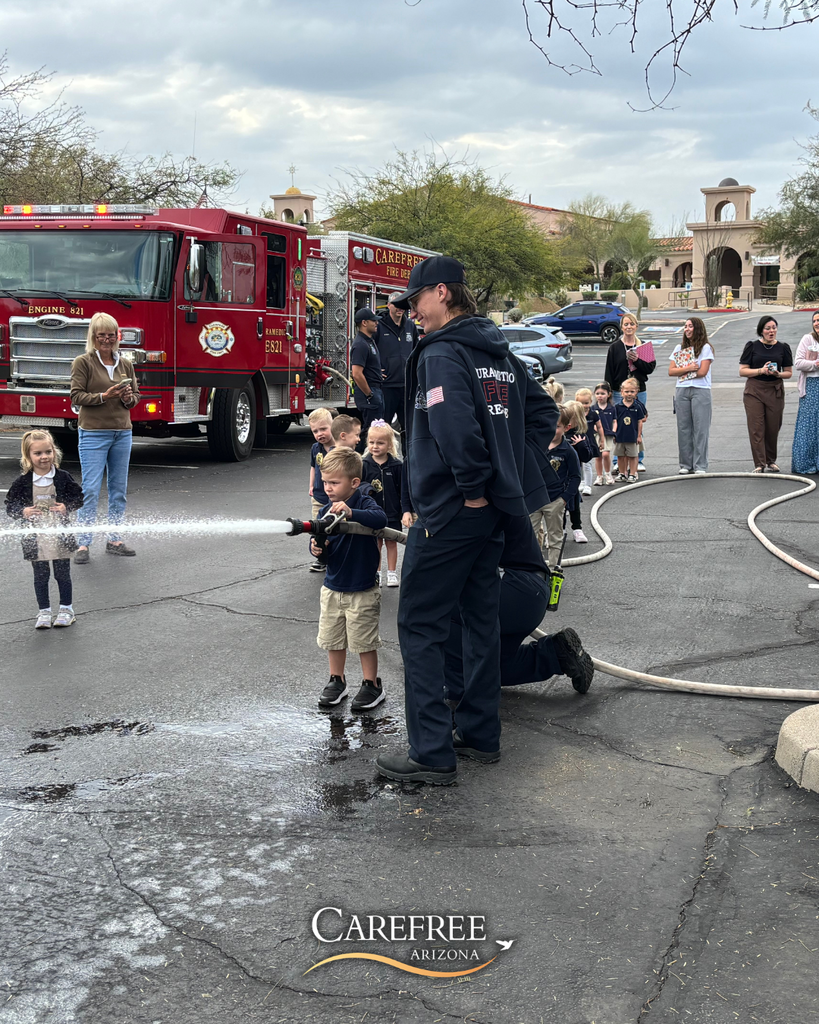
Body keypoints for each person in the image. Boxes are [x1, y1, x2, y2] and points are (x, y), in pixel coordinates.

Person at [375, 256, 558, 786]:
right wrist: (508, 478)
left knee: (419, 625)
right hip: (493, 512)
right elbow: (542, 414)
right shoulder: (499, 351)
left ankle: (430, 751)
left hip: (455, 510)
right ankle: (480, 733)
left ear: (441, 294)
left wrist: (477, 485)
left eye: (415, 302)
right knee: (479, 620)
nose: (411, 313)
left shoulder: (443, 353)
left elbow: (453, 426)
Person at [444, 516, 594, 736]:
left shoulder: (470, 498)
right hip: (531, 590)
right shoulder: (498, 490)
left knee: (439, 613)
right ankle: (557, 653)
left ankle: (458, 702)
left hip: (513, 587)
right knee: (492, 668)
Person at [311, 447, 388, 711]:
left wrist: (352, 513)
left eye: (334, 482)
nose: (328, 488)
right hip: (332, 588)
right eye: (325, 482)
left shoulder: (364, 501)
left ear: (354, 482)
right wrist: (317, 547)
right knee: (333, 638)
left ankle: (371, 684)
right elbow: (321, 547)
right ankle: (337, 680)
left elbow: (381, 519)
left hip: (362, 588)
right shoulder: (324, 512)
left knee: (364, 640)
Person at [70, 312, 140, 562]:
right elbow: (76, 396)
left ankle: (114, 539)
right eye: (102, 336)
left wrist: (128, 397)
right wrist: (104, 396)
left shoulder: (126, 363)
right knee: (90, 489)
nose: (107, 340)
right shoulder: (83, 362)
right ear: (94, 337)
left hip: (122, 432)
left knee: (118, 490)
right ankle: (83, 543)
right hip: (93, 433)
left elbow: (135, 399)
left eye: (111, 335)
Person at [5, 430, 84, 629]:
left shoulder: (63, 477)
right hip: (35, 538)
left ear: (54, 452)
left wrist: (66, 507)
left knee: (62, 574)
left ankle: (67, 609)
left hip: (60, 536)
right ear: (28, 456)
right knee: (41, 576)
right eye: (38, 453)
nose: (44, 457)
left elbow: (79, 497)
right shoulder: (23, 482)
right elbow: (10, 504)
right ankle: (44, 611)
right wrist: (23, 511)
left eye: (48, 452)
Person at [739, 315, 794, 473]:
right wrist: (760, 371)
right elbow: (742, 370)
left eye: (774, 328)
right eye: (768, 328)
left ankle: (771, 461)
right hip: (754, 389)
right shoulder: (752, 346)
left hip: (775, 389)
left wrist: (778, 374)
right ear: (761, 331)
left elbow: (789, 372)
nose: (771, 331)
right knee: (757, 427)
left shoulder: (783, 347)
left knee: (773, 427)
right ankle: (759, 463)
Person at [529, 406, 581, 565]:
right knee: (530, 535)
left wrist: (564, 499)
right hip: (534, 499)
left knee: (554, 537)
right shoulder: (536, 447)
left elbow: (575, 477)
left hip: (555, 501)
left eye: (557, 426)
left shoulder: (568, 451)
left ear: (566, 428)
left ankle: (553, 570)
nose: (552, 429)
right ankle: (534, 569)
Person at [604, 312, 655, 471]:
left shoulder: (643, 346)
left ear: (636, 326)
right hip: (619, 392)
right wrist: (609, 392)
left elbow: (650, 368)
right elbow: (609, 372)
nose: (629, 327)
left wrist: (636, 359)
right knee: (619, 426)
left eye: (631, 324)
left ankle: (637, 459)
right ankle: (617, 462)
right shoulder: (615, 347)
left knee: (637, 424)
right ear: (621, 327)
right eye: (626, 324)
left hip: (639, 392)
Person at [668, 317, 714, 475]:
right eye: (685, 326)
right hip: (682, 390)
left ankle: (700, 465)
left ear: (698, 328)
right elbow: (671, 371)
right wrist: (688, 368)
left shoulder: (705, 348)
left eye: (690, 326)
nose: (686, 329)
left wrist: (684, 372)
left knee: (701, 429)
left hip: (701, 390)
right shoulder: (679, 348)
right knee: (684, 428)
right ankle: (686, 464)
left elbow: (702, 372)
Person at [361, 420, 403, 587]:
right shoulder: (364, 464)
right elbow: (359, 485)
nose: (375, 446)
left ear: (390, 444)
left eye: (380, 443)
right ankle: (376, 572)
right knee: (376, 542)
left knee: (391, 542)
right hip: (373, 513)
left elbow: (403, 490)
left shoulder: (397, 465)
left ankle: (391, 573)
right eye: (371, 442)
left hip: (392, 512)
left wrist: (406, 510)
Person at [376, 293, 418, 432]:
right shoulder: (379, 326)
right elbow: (369, 351)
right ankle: (383, 454)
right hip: (387, 386)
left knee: (408, 427)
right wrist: (375, 370)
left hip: (406, 386)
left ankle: (408, 454)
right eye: (396, 304)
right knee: (384, 427)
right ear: (388, 305)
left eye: (402, 305)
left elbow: (417, 351)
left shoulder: (411, 327)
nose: (400, 308)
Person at [307, 407, 336, 573]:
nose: (320, 434)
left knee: (335, 528)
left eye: (324, 429)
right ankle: (320, 558)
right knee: (317, 528)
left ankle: (335, 556)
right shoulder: (315, 448)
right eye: (315, 431)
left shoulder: (339, 447)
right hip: (318, 496)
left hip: (337, 499)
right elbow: (313, 467)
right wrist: (311, 485)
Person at [350, 308, 384, 445]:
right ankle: (361, 462)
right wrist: (369, 394)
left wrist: (376, 373)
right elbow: (357, 373)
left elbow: (366, 367)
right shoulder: (360, 344)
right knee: (370, 433)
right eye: (373, 320)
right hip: (369, 393)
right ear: (364, 323)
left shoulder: (369, 341)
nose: (376, 323)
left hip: (376, 389)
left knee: (375, 430)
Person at [792, 313, 819, 475]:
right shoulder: (808, 340)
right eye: (815, 321)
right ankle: (805, 463)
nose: (816, 323)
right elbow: (798, 363)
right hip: (811, 385)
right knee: (808, 425)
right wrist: (815, 364)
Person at [564, 400, 594, 544]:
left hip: (573, 477)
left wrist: (581, 445)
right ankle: (560, 528)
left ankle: (577, 528)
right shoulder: (559, 433)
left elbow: (587, 457)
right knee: (558, 504)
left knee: (574, 503)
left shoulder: (581, 435)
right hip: (558, 476)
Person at [613, 378, 646, 482]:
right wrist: (614, 433)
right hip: (620, 436)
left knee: (633, 456)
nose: (629, 394)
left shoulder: (637, 406)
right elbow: (614, 421)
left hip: (632, 436)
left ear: (636, 392)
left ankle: (632, 473)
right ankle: (622, 473)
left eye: (632, 391)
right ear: (621, 392)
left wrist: (639, 435)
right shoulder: (617, 407)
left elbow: (640, 421)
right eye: (626, 391)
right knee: (620, 455)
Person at [574, 388, 605, 495]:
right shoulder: (575, 414)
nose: (583, 405)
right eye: (580, 403)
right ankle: (581, 482)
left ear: (591, 402)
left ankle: (588, 485)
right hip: (577, 442)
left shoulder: (593, 414)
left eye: (586, 403)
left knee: (587, 464)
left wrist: (602, 440)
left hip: (589, 442)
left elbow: (600, 427)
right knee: (578, 464)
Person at [592, 382, 617, 485]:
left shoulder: (612, 408)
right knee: (598, 456)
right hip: (597, 435)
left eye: (602, 393)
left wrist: (614, 431)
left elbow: (615, 420)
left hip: (608, 435)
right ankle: (599, 476)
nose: (600, 396)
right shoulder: (593, 408)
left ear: (608, 394)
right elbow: (591, 420)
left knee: (606, 454)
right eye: (597, 393)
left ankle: (607, 474)